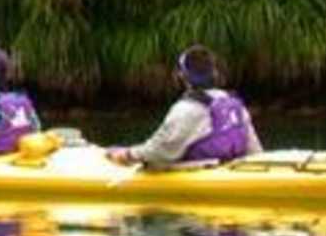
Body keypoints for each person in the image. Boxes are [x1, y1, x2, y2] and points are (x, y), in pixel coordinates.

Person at [106, 45, 263, 167]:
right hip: (233, 168)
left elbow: (159, 152)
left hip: (202, 172)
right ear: (214, 73)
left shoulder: (186, 109)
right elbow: (254, 151)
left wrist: (127, 155)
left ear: (183, 76)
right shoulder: (232, 101)